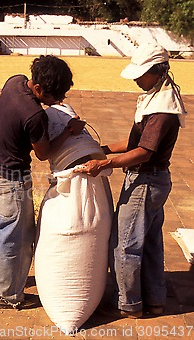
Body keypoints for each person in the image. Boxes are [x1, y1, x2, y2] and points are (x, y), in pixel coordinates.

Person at [75, 43, 187, 318]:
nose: (137, 79)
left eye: (141, 74)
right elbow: (136, 141)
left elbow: (144, 151)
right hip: (155, 180)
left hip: (145, 182)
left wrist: (104, 163)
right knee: (149, 242)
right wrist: (105, 148)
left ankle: (129, 303)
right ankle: (155, 300)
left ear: (158, 70)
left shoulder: (162, 110)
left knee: (125, 243)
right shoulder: (159, 96)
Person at [0, 55, 86, 309]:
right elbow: (44, 152)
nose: (57, 102)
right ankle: (7, 293)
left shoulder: (14, 82)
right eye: (53, 97)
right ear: (37, 89)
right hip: (11, 179)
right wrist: (69, 130)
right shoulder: (34, 115)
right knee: (18, 237)